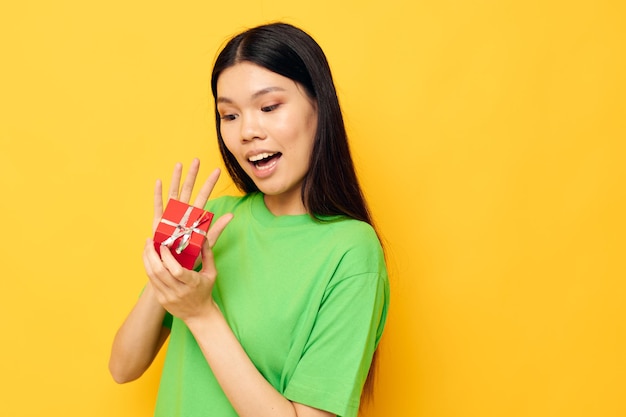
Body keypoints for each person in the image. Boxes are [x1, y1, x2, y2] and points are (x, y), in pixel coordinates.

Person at [109, 22, 389, 417]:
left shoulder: (352, 252)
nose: (247, 132)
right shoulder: (214, 221)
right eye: (229, 115)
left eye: (269, 107)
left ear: (319, 106)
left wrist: (201, 314)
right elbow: (123, 367)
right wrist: (165, 261)